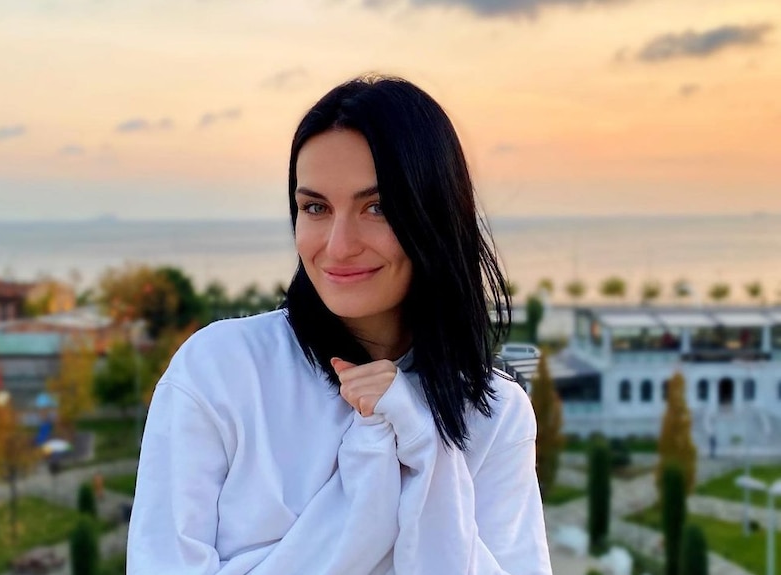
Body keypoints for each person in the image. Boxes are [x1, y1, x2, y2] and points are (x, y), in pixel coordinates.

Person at [127, 75, 552, 575]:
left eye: (377, 207)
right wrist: (382, 458)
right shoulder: (221, 371)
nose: (338, 244)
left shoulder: (495, 414)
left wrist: (424, 443)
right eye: (316, 208)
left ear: (433, 213)